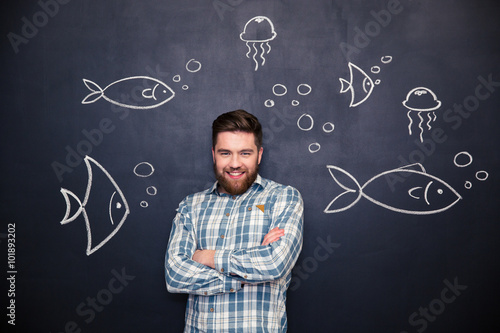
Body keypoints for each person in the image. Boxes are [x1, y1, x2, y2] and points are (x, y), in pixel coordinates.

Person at [165, 109, 304, 332]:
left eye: (245, 153)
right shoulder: (191, 206)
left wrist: (207, 256)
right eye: (225, 153)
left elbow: (276, 263)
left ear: (259, 154)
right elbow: (175, 275)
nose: (235, 163)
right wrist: (246, 277)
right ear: (213, 154)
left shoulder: (284, 198)